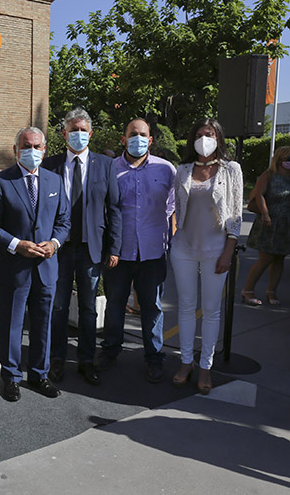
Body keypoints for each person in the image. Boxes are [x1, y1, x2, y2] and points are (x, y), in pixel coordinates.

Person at [0, 126, 70, 402]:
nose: (32, 151)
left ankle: (39, 375)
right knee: (11, 325)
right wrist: (17, 244)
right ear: (17, 150)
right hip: (14, 269)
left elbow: (64, 222)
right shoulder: (2, 182)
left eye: (37, 146)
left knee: (43, 324)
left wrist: (54, 243)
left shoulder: (55, 182)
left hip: (46, 268)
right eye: (26, 146)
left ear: (45, 149)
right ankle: (10, 377)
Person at [41, 108, 121, 386]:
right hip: (58, 249)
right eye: (72, 130)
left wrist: (114, 247)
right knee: (59, 307)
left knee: (88, 309)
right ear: (64, 133)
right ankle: (57, 360)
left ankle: (87, 360)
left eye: (83, 130)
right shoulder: (49, 165)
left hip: (91, 248)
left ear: (90, 133)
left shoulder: (106, 165)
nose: (78, 135)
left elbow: (115, 209)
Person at [99, 118, 175, 382]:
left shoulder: (166, 170)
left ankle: (154, 356)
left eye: (143, 134)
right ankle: (110, 349)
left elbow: (172, 208)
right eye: (133, 134)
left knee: (152, 307)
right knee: (115, 304)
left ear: (151, 140)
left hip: (153, 252)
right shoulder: (110, 169)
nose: (138, 138)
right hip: (118, 252)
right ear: (124, 139)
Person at [171, 118, 243, 394]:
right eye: (200, 134)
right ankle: (186, 361)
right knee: (186, 307)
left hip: (216, 250)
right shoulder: (183, 170)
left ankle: (205, 366)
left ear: (218, 138)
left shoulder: (230, 170)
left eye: (210, 134)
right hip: (184, 249)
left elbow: (236, 214)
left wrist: (229, 249)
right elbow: (178, 208)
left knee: (211, 312)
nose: (204, 139)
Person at [241, 146, 290, 306]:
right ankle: (248, 290)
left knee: (280, 258)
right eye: (289, 159)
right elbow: (259, 194)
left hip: (286, 222)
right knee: (265, 258)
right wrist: (266, 214)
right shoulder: (269, 175)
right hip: (269, 221)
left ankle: (272, 292)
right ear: (280, 160)